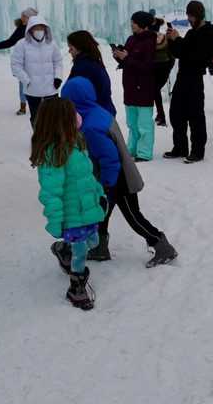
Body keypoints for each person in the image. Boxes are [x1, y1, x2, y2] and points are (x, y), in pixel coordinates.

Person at [59, 78, 178, 267]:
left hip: (118, 178)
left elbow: (109, 158)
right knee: (100, 214)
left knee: (133, 216)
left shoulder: (90, 127)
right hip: (112, 175)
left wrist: (107, 185)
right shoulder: (96, 112)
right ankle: (100, 248)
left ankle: (162, 245)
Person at [31, 97, 107, 311]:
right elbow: (51, 193)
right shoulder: (53, 154)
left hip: (87, 209)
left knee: (92, 242)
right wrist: (56, 220)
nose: (77, 118)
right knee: (81, 251)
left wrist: (99, 194)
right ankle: (77, 286)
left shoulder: (77, 142)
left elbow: (88, 176)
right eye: (72, 115)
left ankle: (63, 249)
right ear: (60, 121)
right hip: (72, 216)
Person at [164, 0, 213, 164]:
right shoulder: (191, 33)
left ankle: (197, 151)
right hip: (183, 77)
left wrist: (179, 41)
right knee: (176, 113)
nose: (189, 19)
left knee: (195, 116)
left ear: (198, 15)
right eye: (188, 15)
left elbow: (197, 54)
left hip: (195, 78)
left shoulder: (208, 33)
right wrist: (172, 40)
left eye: (191, 16)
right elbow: (180, 53)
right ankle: (180, 147)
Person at [113, 11, 159, 161]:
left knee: (144, 124)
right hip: (130, 87)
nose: (131, 24)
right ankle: (131, 150)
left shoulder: (151, 41)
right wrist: (118, 56)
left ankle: (144, 153)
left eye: (134, 22)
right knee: (132, 123)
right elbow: (127, 61)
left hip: (144, 87)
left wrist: (127, 58)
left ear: (143, 24)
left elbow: (147, 66)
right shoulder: (131, 39)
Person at [11, 15, 65, 122]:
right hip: (32, 91)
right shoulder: (22, 45)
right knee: (36, 118)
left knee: (53, 118)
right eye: (36, 28)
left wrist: (58, 77)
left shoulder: (51, 44)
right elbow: (16, 65)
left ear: (45, 29)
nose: (39, 30)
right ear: (30, 29)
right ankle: (38, 138)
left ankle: (53, 138)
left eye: (41, 27)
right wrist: (27, 81)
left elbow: (58, 62)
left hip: (51, 89)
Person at [0, 8, 34, 115]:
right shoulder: (22, 28)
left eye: (24, 16)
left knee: (36, 82)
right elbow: (10, 42)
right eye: (22, 15)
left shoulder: (36, 29)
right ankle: (23, 106)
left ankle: (39, 106)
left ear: (30, 18)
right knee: (23, 82)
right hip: (24, 60)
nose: (22, 17)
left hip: (36, 60)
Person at [63, 31, 117, 116]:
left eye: (71, 48)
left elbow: (76, 94)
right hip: (104, 111)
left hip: (94, 114)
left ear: (79, 48)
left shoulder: (83, 67)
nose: (69, 51)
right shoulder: (93, 61)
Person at [152, 18, 173, 127]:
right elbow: (171, 56)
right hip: (164, 69)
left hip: (155, 69)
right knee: (156, 92)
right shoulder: (165, 38)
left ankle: (161, 116)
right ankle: (160, 115)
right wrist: (169, 67)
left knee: (155, 92)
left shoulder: (149, 40)